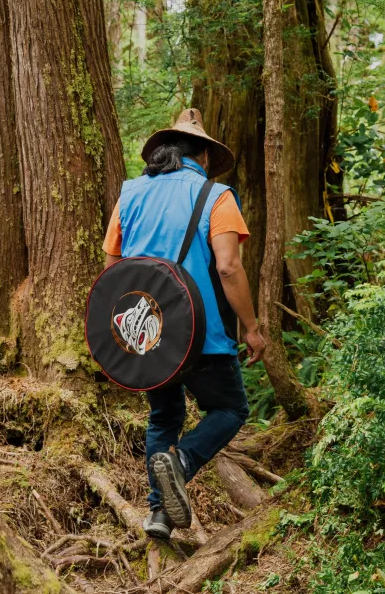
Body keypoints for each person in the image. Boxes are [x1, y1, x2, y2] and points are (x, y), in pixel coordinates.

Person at [103, 108, 267, 540]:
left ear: (161, 151)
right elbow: (229, 268)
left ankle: (158, 513)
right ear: (205, 157)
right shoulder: (217, 196)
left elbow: (112, 264)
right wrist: (251, 328)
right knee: (231, 409)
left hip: (147, 332)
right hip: (203, 332)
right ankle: (182, 463)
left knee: (164, 417)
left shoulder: (130, 192)